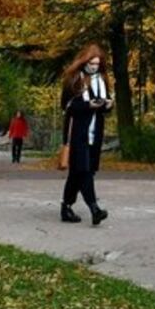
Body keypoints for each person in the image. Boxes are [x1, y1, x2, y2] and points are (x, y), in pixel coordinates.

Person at [60, 43, 113, 226]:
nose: (94, 67)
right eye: (91, 63)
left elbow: (107, 108)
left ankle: (66, 207)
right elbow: (66, 107)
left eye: (97, 64)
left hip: (95, 132)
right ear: (84, 62)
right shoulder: (74, 79)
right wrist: (88, 105)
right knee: (84, 170)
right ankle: (94, 209)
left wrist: (107, 105)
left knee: (78, 172)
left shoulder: (103, 80)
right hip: (76, 132)